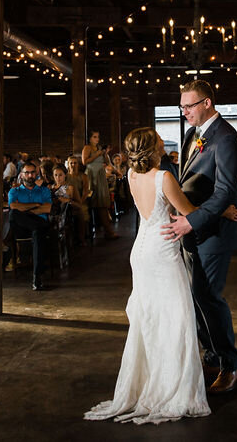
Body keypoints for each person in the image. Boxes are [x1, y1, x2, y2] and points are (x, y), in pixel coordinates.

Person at [85, 127, 212, 425]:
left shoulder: (131, 175)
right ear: (151, 147)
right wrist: (217, 208)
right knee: (177, 318)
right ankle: (172, 385)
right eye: (158, 140)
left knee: (150, 320)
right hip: (162, 252)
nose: (161, 142)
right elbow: (188, 211)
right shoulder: (163, 177)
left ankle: (153, 378)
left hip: (140, 251)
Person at [161, 79, 237, 394]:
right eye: (181, 106)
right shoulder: (190, 135)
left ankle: (231, 365)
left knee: (209, 297)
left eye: (189, 106)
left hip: (212, 234)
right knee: (196, 299)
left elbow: (225, 190)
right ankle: (211, 355)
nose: (184, 112)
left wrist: (191, 221)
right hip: (194, 229)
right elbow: (191, 182)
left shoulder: (226, 139)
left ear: (207, 102)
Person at [8, 163, 53, 291]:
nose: (30, 175)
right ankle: (38, 275)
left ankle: (36, 277)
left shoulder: (44, 190)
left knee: (38, 232)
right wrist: (37, 205)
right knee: (14, 213)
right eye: (26, 173)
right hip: (22, 227)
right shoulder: (14, 191)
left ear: (36, 174)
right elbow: (14, 207)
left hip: (38, 223)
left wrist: (25, 209)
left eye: (32, 172)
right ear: (21, 175)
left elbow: (48, 208)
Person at [82, 130, 118, 240]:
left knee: (102, 202)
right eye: (94, 137)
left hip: (100, 175)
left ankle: (107, 230)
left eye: (98, 137)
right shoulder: (87, 148)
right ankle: (105, 230)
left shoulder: (99, 149)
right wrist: (96, 155)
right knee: (95, 201)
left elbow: (107, 162)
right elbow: (84, 161)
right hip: (92, 175)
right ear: (90, 138)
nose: (97, 139)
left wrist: (104, 154)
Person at [52, 164, 89, 246]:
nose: (58, 178)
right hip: (55, 212)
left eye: (60, 175)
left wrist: (68, 201)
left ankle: (81, 239)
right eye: (56, 175)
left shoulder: (70, 188)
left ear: (65, 175)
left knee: (80, 213)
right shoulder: (51, 188)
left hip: (69, 211)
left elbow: (79, 205)